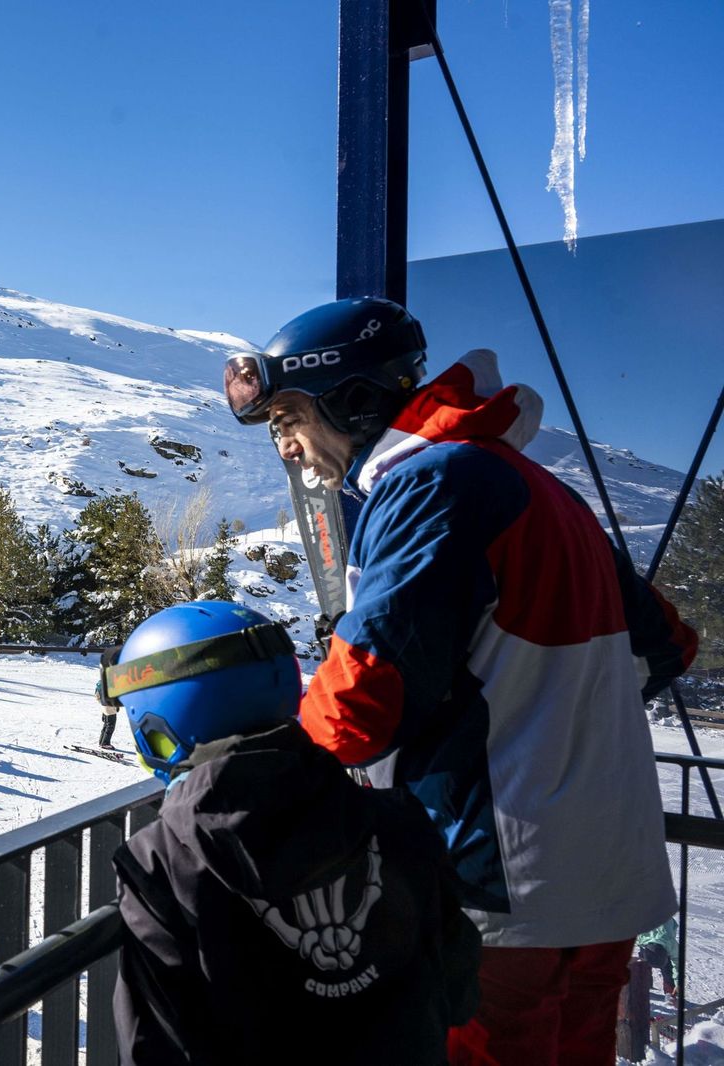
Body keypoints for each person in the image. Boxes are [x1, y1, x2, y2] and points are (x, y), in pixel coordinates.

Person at [222, 296, 697, 1065]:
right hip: (610, 876)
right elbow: (669, 646)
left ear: (355, 399)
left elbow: (355, 710)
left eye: (286, 420)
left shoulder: (429, 484)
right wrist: (541, 708)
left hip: (500, 888)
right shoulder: (539, 488)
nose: (288, 450)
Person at [106, 600, 480, 1065]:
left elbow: (153, 1046)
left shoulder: (160, 864)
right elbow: (459, 988)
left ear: (157, 730)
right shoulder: (397, 818)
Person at [97, 647, 121, 749]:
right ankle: (105, 743)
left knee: (107, 723)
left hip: (105, 704)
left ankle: (102, 742)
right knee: (110, 724)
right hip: (108, 704)